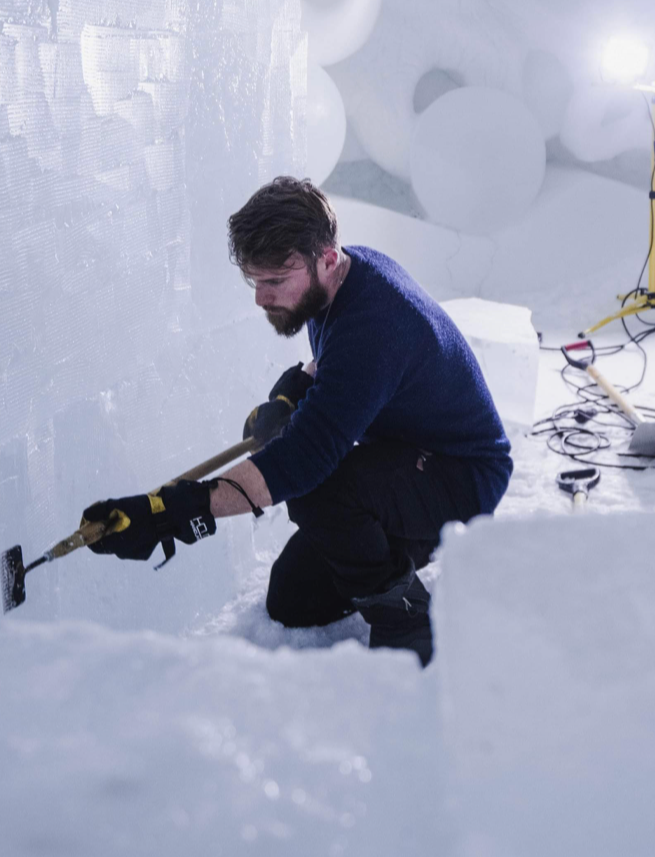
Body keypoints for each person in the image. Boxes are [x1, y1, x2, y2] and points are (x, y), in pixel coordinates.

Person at [82, 177, 512, 664]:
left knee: (319, 490)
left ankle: (406, 616)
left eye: (274, 281)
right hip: (402, 454)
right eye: (255, 281)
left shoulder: (374, 328)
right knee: (293, 598)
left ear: (326, 258)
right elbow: (332, 362)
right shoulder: (342, 278)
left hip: (460, 476)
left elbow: (302, 461)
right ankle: (389, 553)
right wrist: (296, 389)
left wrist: (178, 510)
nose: (261, 299)